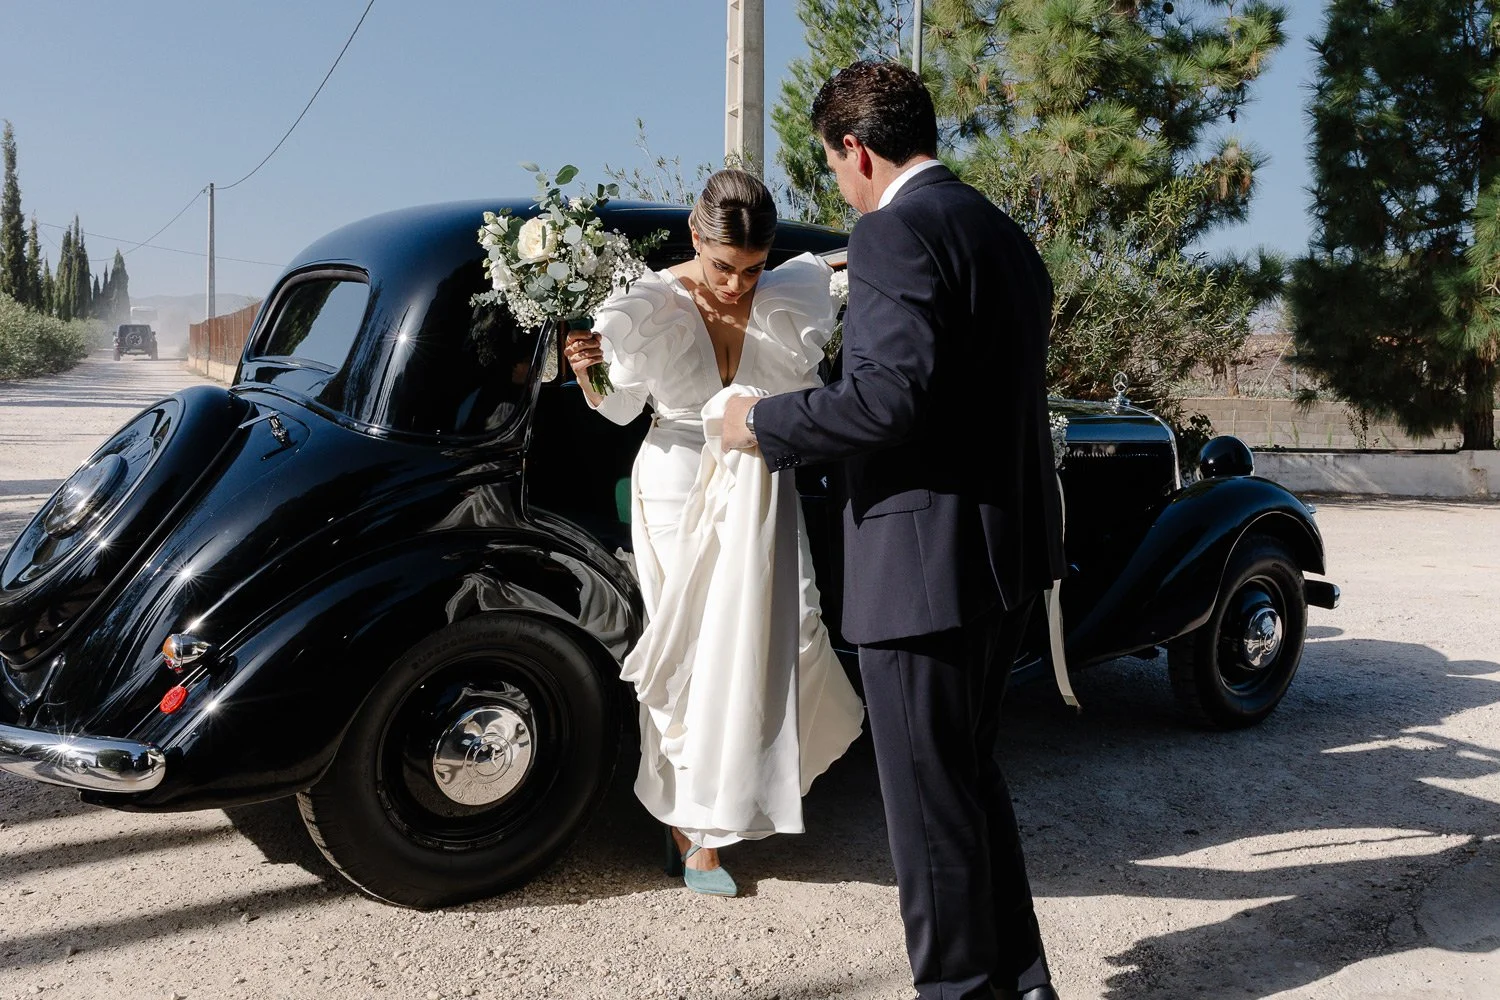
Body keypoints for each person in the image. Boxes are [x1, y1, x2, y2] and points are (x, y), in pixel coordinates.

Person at [721, 62, 1066, 1000]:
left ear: (856, 149)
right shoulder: (999, 232)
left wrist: (760, 422)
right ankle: (1021, 983)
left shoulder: (890, 232)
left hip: (923, 568)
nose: (837, 184)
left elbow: (887, 400)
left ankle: (961, 990)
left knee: (925, 802)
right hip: (1003, 553)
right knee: (964, 780)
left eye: (833, 165)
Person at [565, 168, 864, 898]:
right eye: (724, 267)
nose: (736, 286)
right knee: (689, 652)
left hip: (763, 480)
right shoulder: (643, 305)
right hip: (673, 482)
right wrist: (589, 374)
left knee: (780, 637)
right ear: (696, 239)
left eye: (753, 269)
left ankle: (741, 796)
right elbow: (615, 409)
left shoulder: (792, 291)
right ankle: (692, 832)